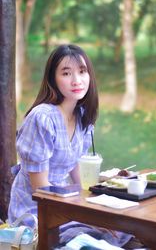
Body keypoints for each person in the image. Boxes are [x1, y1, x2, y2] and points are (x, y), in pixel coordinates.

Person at [8, 44, 143, 249]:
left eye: (82, 71)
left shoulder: (82, 116)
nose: (76, 80)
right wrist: (89, 218)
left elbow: (77, 170)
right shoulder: (43, 118)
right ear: (53, 78)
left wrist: (98, 204)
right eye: (66, 73)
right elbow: (42, 192)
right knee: (99, 236)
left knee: (129, 228)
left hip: (64, 205)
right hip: (37, 214)